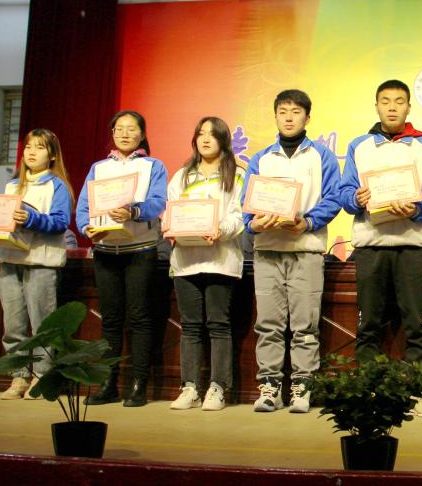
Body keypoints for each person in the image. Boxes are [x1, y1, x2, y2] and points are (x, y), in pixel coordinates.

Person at [338, 79, 422, 418]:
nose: (393, 107)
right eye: (386, 101)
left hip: (410, 246)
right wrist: (356, 198)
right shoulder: (359, 146)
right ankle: (368, 392)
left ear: (409, 106)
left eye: (399, 101)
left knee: (415, 323)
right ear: (377, 106)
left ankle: (416, 393)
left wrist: (417, 207)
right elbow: (344, 193)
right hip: (370, 246)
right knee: (369, 323)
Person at [245, 90, 341, 414]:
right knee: (268, 324)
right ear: (275, 116)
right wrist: (254, 223)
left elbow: (333, 197)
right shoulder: (261, 159)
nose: (289, 117)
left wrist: (308, 222)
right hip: (267, 250)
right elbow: (247, 207)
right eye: (283, 111)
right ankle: (269, 387)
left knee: (305, 324)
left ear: (307, 118)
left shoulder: (322, 156)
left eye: (296, 111)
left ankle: (303, 386)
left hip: (306, 250)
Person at [77, 110, 167, 407]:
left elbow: (158, 203)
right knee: (110, 321)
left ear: (142, 134)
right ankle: (108, 384)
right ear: (112, 133)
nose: (125, 134)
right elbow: (83, 208)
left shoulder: (153, 166)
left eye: (131, 129)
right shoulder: (99, 168)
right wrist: (87, 228)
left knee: (140, 318)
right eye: (119, 129)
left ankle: (139, 385)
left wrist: (133, 211)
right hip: (105, 252)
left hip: (140, 250)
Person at [167, 117, 246, 412]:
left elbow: (239, 215)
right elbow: (170, 211)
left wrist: (220, 229)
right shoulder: (182, 176)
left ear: (223, 140)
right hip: (185, 263)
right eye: (200, 133)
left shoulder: (237, 174)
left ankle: (217, 388)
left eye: (212, 134)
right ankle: (189, 388)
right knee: (189, 326)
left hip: (220, 261)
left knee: (218, 324)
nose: (205, 139)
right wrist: (170, 227)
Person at [0, 129, 72, 400]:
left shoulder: (57, 185)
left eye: (39, 147)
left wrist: (31, 218)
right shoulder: (12, 186)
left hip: (41, 261)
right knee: (13, 325)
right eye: (28, 147)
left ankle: (42, 376)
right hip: (9, 259)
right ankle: (19, 375)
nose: (31, 152)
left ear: (52, 155)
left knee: (42, 324)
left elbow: (61, 222)